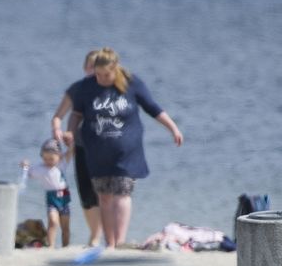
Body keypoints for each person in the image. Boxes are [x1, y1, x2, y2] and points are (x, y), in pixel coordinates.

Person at [63, 48, 183, 248]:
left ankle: (120, 240)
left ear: (115, 68)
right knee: (104, 196)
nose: (101, 79)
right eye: (98, 74)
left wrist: (173, 128)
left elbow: (152, 108)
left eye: (106, 74)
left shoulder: (131, 83)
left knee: (122, 192)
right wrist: (70, 132)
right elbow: (76, 113)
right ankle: (109, 243)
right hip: (97, 151)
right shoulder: (87, 86)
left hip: (127, 151)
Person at [50, 50, 102, 247]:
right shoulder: (77, 89)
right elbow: (58, 116)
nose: (93, 70)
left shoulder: (111, 88)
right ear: (84, 67)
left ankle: (105, 237)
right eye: (90, 66)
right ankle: (95, 236)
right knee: (87, 193)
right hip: (81, 145)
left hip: (106, 147)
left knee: (106, 193)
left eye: (97, 66)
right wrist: (57, 130)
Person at [20, 140, 72, 248]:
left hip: (64, 198)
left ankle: (65, 247)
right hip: (51, 199)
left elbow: (71, 151)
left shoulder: (61, 164)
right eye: (45, 158)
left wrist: (70, 141)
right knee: (53, 222)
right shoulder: (40, 168)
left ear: (59, 156)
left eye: (51, 158)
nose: (48, 161)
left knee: (65, 227)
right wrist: (24, 165)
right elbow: (28, 172)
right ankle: (51, 246)